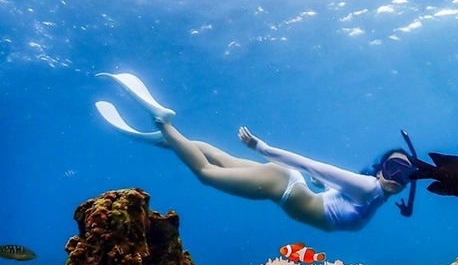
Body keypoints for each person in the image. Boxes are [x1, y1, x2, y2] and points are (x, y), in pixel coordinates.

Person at [94, 73, 416, 231]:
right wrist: (264, 149)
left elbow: (326, 185)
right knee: (207, 174)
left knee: (219, 158)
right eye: (392, 169)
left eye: (405, 174)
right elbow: (312, 165)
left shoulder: (372, 193)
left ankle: (159, 139)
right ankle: (164, 124)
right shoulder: (367, 187)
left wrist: (321, 188)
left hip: (288, 183)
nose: (397, 178)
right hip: (282, 186)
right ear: (379, 170)